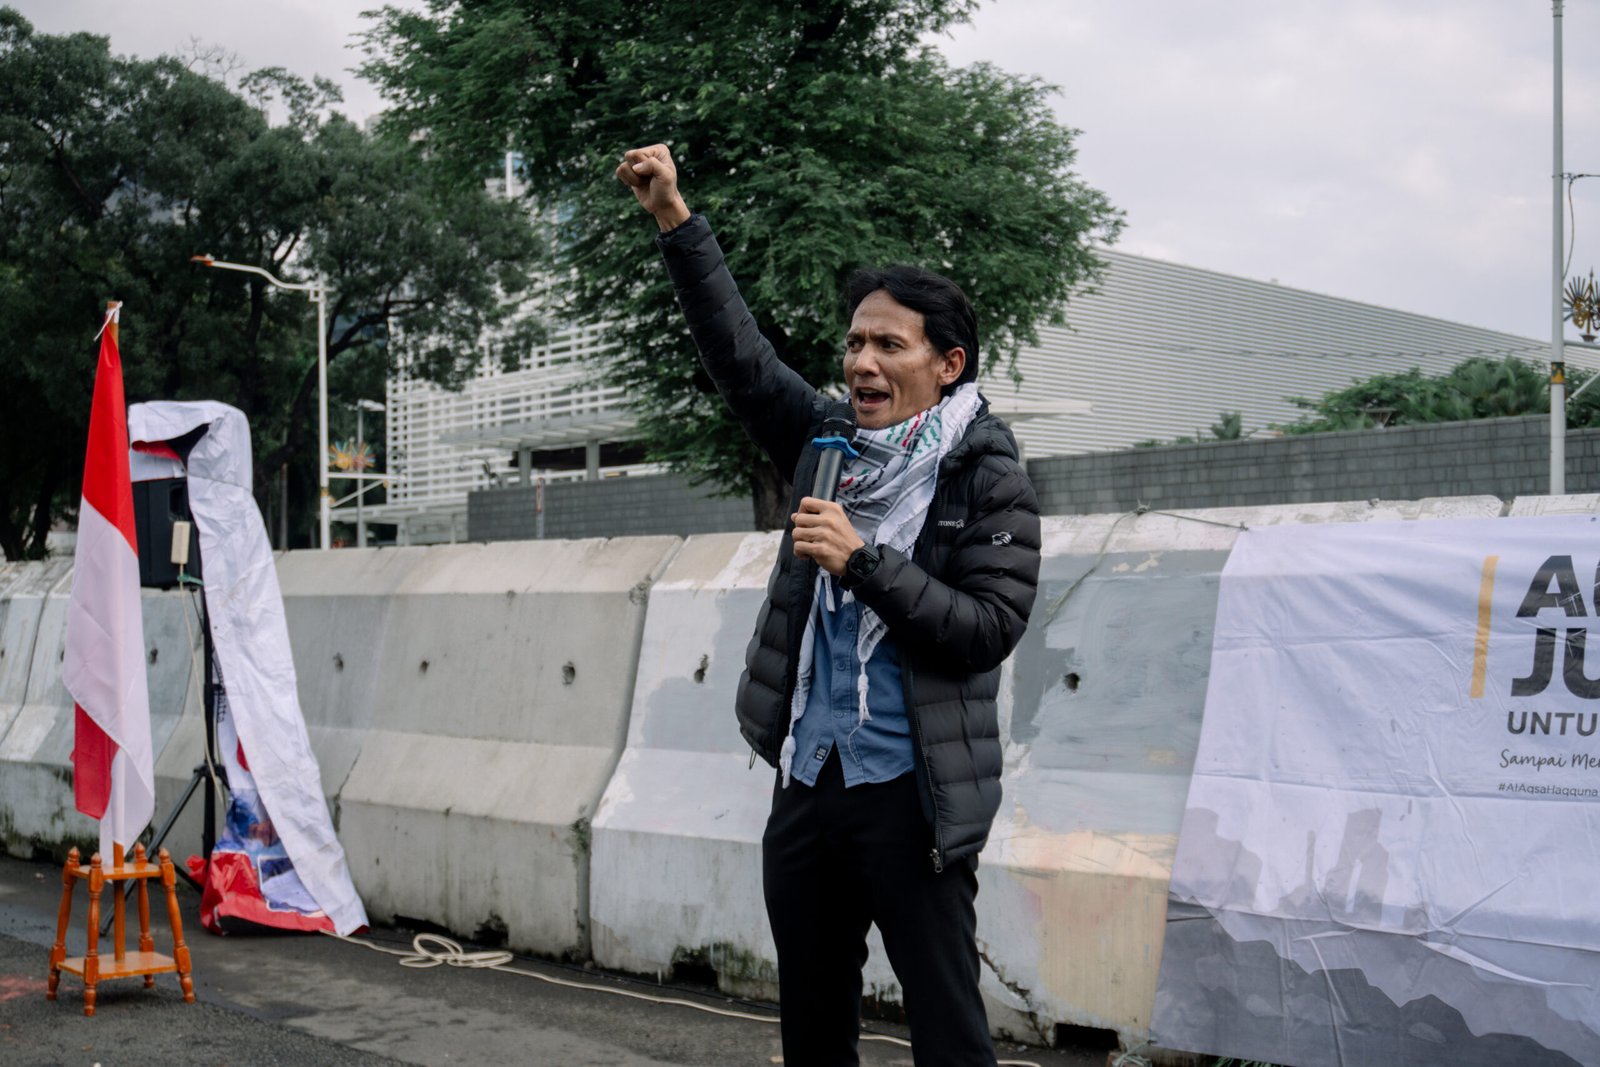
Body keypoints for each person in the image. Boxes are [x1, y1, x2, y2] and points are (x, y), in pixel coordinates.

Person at [618, 143, 1041, 1067]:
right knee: (812, 1034)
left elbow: (987, 629)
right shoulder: (826, 444)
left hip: (914, 797)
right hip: (810, 785)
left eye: (890, 344)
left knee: (949, 1035)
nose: (863, 362)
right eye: (855, 343)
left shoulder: (988, 474)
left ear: (947, 363)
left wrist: (863, 563)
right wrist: (675, 220)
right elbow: (740, 358)